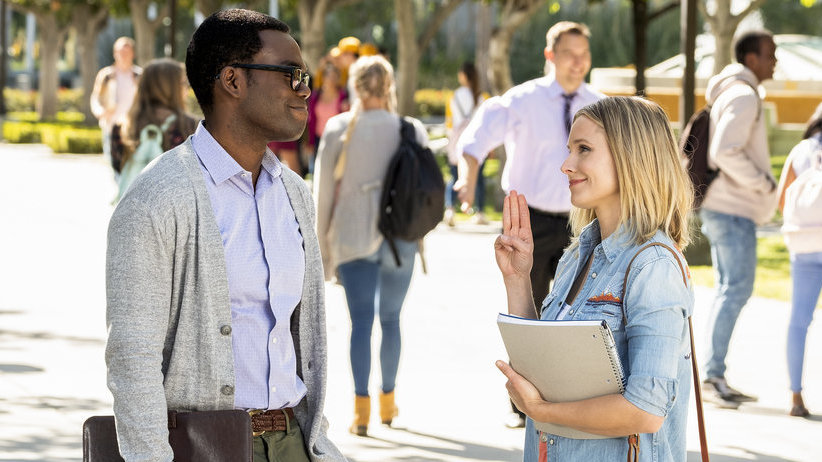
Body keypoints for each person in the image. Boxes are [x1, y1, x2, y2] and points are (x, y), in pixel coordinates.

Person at [105, 9, 345, 462]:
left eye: (307, 76)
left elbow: (300, 340)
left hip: (294, 442)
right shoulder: (157, 200)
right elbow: (132, 359)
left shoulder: (294, 193)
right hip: (204, 448)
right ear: (232, 81)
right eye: (291, 74)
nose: (305, 88)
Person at [495, 96, 694, 461]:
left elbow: (645, 411)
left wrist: (541, 413)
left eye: (583, 149)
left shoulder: (653, 267)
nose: (566, 165)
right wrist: (517, 279)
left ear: (631, 157)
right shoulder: (579, 253)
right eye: (569, 150)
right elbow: (542, 367)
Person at [455, 20, 603, 427]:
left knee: (580, 311)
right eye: (570, 54)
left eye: (584, 55)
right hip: (530, 222)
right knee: (529, 311)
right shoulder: (522, 100)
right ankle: (522, 403)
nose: (579, 62)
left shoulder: (599, 104)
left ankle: (570, 398)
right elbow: (478, 136)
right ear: (550, 56)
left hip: (581, 222)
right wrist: (467, 178)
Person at [313, 55, 428, 437]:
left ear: (355, 86)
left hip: (352, 236)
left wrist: (322, 252)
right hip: (401, 240)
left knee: (360, 323)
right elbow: (423, 193)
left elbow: (324, 196)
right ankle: (388, 403)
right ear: (390, 85)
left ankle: (360, 412)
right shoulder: (410, 129)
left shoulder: (339, 128)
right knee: (392, 321)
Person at [699, 30, 778, 408]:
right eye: (770, 53)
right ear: (751, 59)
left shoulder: (734, 92)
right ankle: (712, 376)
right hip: (733, 209)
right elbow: (724, 151)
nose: (774, 60)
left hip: (726, 208)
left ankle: (713, 374)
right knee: (736, 290)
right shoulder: (744, 95)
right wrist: (763, 182)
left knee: (728, 289)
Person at [775, 102, 822, 418]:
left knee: (799, 321)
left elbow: (782, 202)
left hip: (804, 244)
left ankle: (795, 395)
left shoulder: (802, 150)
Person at [116, 58, 199, 200]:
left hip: (135, 211)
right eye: (184, 83)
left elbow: (118, 168)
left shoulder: (123, 128)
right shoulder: (192, 126)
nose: (187, 88)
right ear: (172, 89)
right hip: (178, 210)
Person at [444, 61, 487, 226]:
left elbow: (449, 123)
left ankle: (450, 210)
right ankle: (480, 211)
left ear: (463, 75)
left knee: (454, 175)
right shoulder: (482, 97)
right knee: (479, 177)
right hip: (477, 142)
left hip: (458, 141)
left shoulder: (454, 96)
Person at [90, 36, 141, 173]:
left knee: (133, 166)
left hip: (133, 128)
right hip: (111, 127)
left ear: (133, 54)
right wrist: (100, 112)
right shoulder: (106, 75)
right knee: (113, 165)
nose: (123, 56)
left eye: (127, 52)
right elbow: (95, 98)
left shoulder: (139, 76)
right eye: (120, 52)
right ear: (115, 53)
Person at [306, 61, 349, 174]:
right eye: (329, 75)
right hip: (318, 139)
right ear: (323, 77)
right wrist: (310, 142)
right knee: (317, 170)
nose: (331, 79)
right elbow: (311, 121)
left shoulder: (343, 96)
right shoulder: (316, 96)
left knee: (335, 171)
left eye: (334, 76)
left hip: (338, 139)